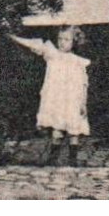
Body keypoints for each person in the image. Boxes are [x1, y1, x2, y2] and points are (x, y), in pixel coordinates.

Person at [10, 27, 92, 166]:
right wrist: (14, 37)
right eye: (60, 39)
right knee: (57, 128)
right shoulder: (53, 55)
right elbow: (36, 45)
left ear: (75, 42)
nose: (62, 42)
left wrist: (83, 103)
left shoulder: (78, 61)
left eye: (66, 39)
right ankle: (53, 159)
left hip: (72, 99)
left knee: (74, 130)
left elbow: (83, 83)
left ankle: (73, 159)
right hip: (57, 99)